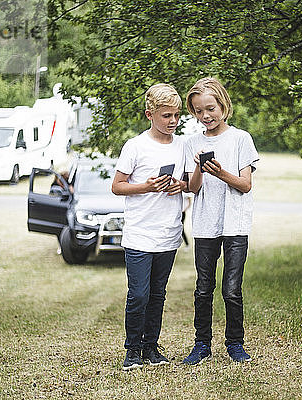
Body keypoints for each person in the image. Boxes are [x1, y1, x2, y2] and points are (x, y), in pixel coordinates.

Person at [182, 77, 259, 365]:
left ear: (223, 105)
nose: (206, 116)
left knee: (231, 288)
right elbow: (192, 187)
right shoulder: (192, 143)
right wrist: (200, 169)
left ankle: (235, 343)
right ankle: (201, 344)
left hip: (235, 224)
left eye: (210, 109)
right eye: (199, 112)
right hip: (205, 224)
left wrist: (219, 172)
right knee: (204, 287)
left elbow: (245, 184)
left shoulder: (241, 139)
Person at [111, 83, 187, 371]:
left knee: (158, 294)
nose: (173, 121)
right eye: (167, 115)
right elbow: (117, 186)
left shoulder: (182, 145)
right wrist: (146, 186)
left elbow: (191, 184)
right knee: (139, 294)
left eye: (177, 115)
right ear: (149, 114)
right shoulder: (135, 146)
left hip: (169, 234)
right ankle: (132, 351)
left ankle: (151, 347)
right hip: (140, 234)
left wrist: (181, 185)